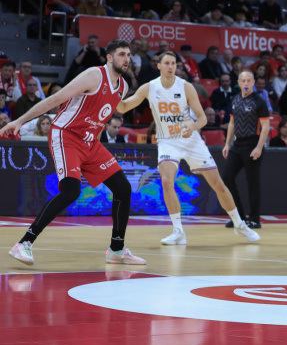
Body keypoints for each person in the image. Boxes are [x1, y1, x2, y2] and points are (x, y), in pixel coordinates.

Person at [3, 40, 145, 266]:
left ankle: (116, 249)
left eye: (128, 55)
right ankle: (24, 243)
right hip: (66, 135)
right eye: (121, 54)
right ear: (109, 57)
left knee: (123, 188)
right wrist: (20, 120)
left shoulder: (123, 87)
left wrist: (94, 149)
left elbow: (100, 119)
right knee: (71, 191)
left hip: (90, 142)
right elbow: (54, 100)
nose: (126, 59)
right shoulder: (93, 75)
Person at [117, 52, 260, 245]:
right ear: (158, 66)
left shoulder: (186, 87)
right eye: (166, 63)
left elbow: (202, 118)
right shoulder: (149, 88)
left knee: (217, 184)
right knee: (167, 181)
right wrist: (113, 95)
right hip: (168, 141)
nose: (170, 66)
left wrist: (192, 126)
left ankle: (239, 224)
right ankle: (178, 231)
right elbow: (124, 107)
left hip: (191, 140)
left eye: (173, 63)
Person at [222, 70, 270, 229]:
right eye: (243, 81)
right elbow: (232, 123)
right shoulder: (235, 99)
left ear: (253, 82)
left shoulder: (259, 101)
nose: (246, 83)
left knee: (252, 183)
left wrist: (259, 147)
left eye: (249, 80)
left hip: (253, 144)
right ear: (239, 82)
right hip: (238, 144)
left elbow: (265, 127)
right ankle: (239, 216)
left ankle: (255, 218)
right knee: (227, 177)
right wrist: (227, 144)